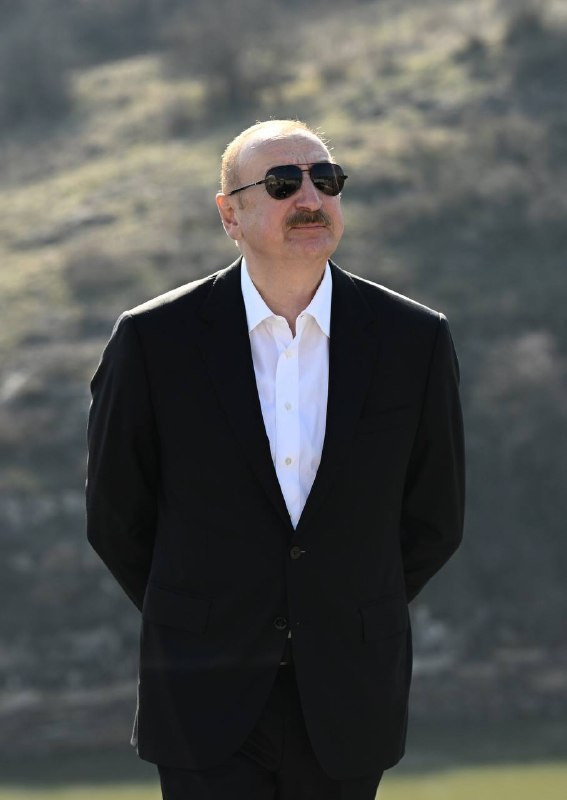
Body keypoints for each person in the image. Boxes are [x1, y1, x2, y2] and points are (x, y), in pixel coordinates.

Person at [86, 119, 465, 800]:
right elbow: (116, 517)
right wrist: (204, 610)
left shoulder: (415, 340)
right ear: (229, 215)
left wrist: (335, 604)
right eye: (283, 183)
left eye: (326, 180)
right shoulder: (151, 341)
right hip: (201, 694)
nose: (310, 199)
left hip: (348, 696)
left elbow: (434, 518)